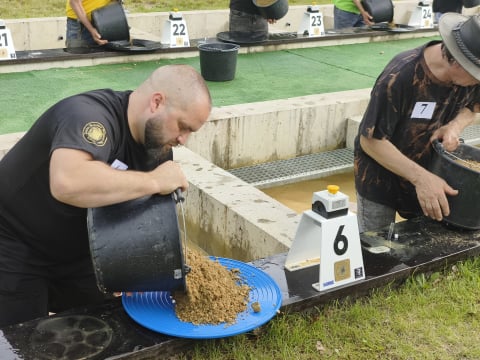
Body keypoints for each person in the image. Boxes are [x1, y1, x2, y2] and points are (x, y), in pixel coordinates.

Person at [0, 64, 212, 327]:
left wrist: (135, 272)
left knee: (104, 328)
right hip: (14, 241)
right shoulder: (88, 116)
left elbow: (140, 219)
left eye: (191, 131)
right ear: (157, 102)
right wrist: (154, 181)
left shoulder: (157, 149)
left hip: (76, 252)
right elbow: (67, 182)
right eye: (183, 126)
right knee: (21, 341)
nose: (184, 140)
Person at [354, 12, 480, 233]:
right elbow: (371, 141)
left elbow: (474, 108)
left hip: (432, 170)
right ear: (458, 63)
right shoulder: (400, 76)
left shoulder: (472, 75)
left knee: (423, 248)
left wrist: (455, 125)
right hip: (382, 178)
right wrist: (422, 179)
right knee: (377, 252)